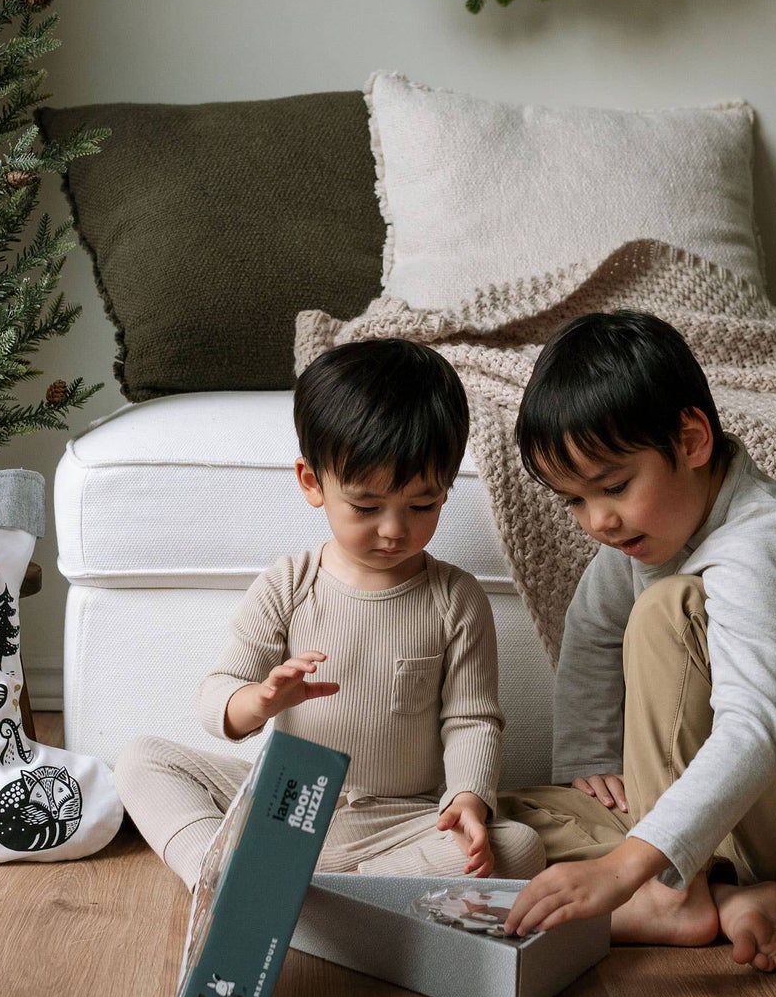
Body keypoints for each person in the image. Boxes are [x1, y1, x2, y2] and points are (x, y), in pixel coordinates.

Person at [497, 311, 776, 970]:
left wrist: (620, 870)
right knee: (506, 822)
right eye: (574, 500)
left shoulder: (756, 541)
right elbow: (591, 632)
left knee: (668, 610)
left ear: (693, 439)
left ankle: (666, 892)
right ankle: (727, 893)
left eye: (614, 486)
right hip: (760, 818)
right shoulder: (641, 537)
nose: (598, 520)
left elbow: (754, 731)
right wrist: (588, 758)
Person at [115, 339, 544, 890]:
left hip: (398, 821)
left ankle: (312, 894)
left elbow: (471, 719)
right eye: (366, 507)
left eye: (422, 506)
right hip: (285, 802)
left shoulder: (455, 598)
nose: (394, 530)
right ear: (312, 482)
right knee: (140, 759)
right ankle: (216, 873)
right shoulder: (289, 583)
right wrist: (259, 700)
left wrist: (468, 798)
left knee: (519, 849)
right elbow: (216, 695)